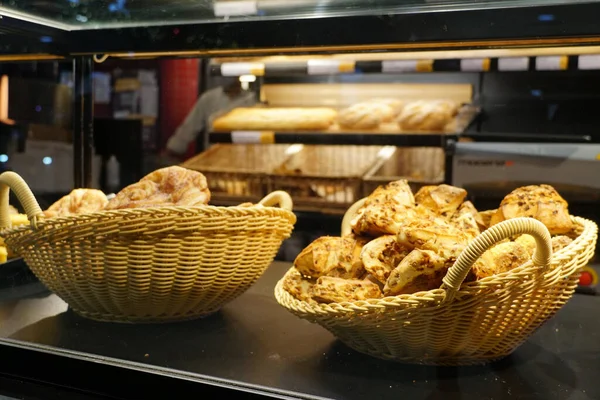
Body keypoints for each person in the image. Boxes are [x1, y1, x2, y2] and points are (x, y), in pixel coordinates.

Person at [163, 79, 255, 158]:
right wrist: (172, 150)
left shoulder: (251, 100)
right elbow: (190, 127)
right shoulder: (209, 98)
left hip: (242, 157)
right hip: (213, 157)